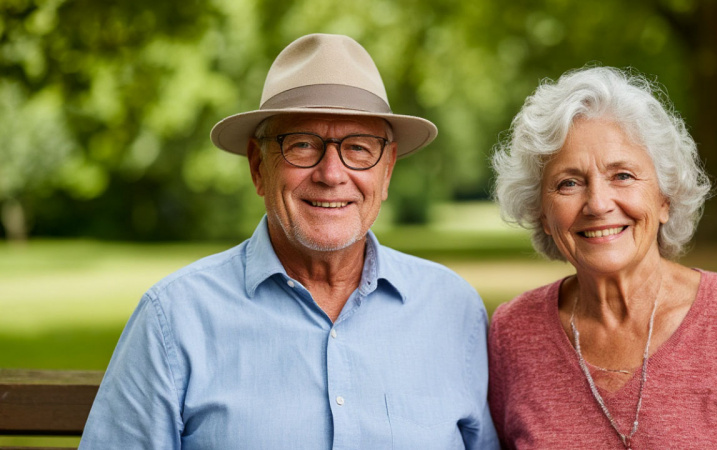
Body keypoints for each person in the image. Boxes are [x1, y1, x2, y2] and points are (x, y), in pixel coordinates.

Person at [80, 33, 499, 449]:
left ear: (386, 172)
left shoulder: (453, 310)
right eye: (302, 145)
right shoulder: (173, 319)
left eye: (358, 148)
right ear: (258, 167)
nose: (331, 174)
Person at [488, 66, 717, 449]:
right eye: (569, 183)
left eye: (623, 176)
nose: (598, 204)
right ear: (542, 215)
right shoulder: (514, 333)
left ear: (665, 199)